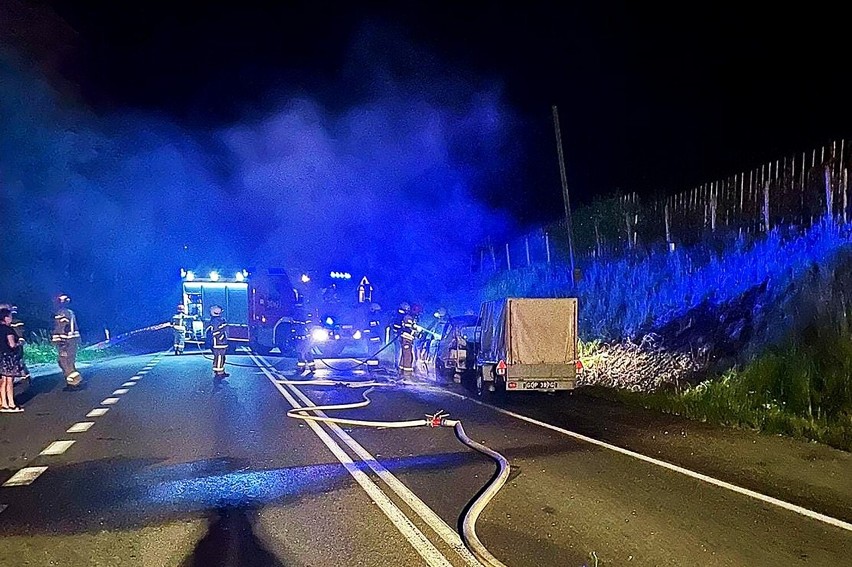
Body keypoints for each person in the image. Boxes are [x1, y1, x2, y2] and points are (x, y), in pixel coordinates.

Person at [51, 294, 82, 387]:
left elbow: (62, 327)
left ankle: (74, 381)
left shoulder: (63, 313)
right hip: (71, 341)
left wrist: (59, 340)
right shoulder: (69, 312)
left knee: (65, 361)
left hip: (66, 342)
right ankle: (74, 380)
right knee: (68, 361)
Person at [0, 307, 27, 412]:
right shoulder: (8, 329)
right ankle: (11, 404)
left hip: (1, 356)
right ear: (6, 318)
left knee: (3, 381)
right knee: (9, 381)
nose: (11, 318)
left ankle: (4, 404)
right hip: (9, 357)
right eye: (10, 316)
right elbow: (12, 344)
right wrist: (19, 343)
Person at [206, 305, 230, 379]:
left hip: (219, 342)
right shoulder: (217, 321)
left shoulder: (214, 320)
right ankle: (219, 373)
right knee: (219, 357)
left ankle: (220, 371)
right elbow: (216, 331)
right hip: (219, 342)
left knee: (219, 357)